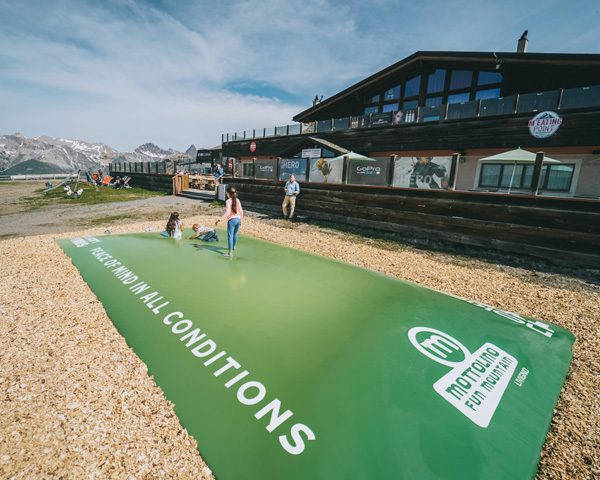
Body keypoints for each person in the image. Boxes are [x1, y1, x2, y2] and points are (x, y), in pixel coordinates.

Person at [215, 186, 243, 257]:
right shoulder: (238, 200)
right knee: (235, 234)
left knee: (230, 236)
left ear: (228, 193)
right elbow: (241, 211)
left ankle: (230, 253)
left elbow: (227, 213)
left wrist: (220, 219)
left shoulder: (228, 201)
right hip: (238, 219)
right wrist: (241, 220)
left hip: (232, 220)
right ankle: (233, 247)